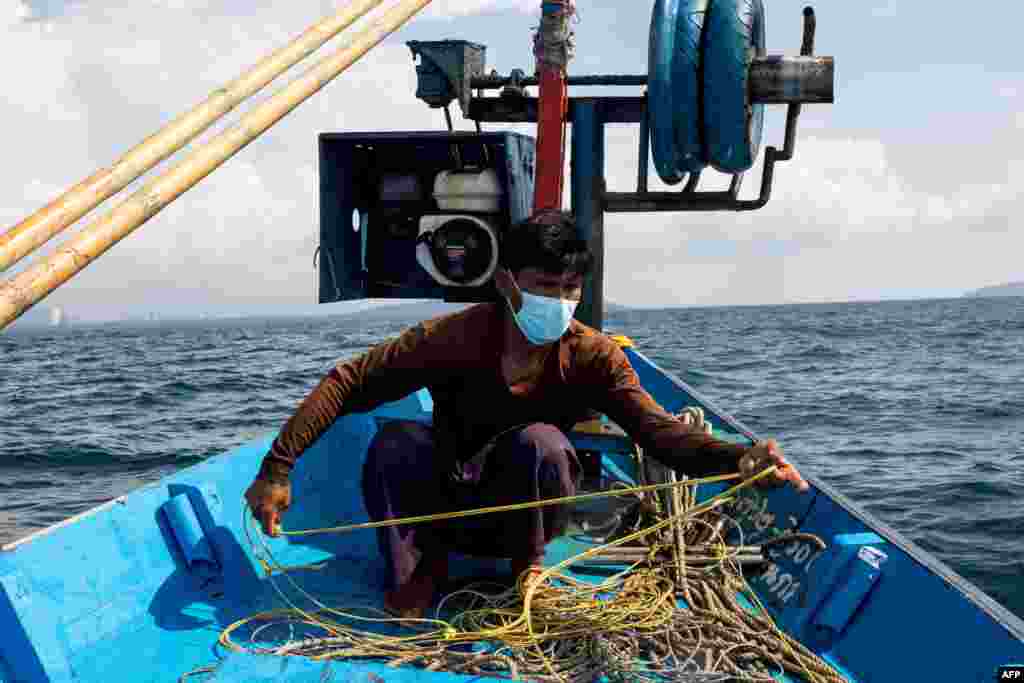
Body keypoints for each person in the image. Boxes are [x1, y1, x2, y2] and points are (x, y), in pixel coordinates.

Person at [245, 210, 808, 617]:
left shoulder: (593, 355)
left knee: (542, 442)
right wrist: (277, 468)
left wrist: (740, 459)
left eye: (571, 287)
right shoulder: (454, 337)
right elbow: (349, 381)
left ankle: (527, 574)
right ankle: (417, 574)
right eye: (544, 286)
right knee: (395, 442)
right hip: (446, 506)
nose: (560, 300)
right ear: (507, 284)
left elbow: (657, 431)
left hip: (525, 515)